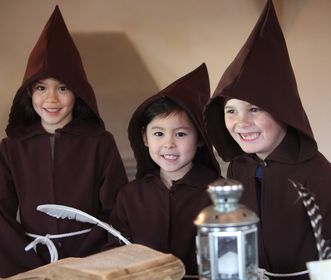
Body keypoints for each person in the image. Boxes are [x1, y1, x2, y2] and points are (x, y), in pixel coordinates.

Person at [204, 1, 331, 279]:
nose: (241, 123)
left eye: (255, 109)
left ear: (283, 111)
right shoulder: (239, 168)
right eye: (231, 111)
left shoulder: (319, 175)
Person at [0, 6, 128, 277]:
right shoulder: (11, 148)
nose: (51, 99)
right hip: (31, 257)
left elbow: (117, 209)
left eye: (63, 88)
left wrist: (89, 259)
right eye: (41, 87)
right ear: (29, 93)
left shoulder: (99, 143)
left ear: (78, 93)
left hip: (92, 258)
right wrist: (28, 258)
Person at [106, 63, 221, 277]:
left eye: (180, 134)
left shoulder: (217, 196)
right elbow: (115, 253)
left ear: (200, 139)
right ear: (144, 138)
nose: (169, 144)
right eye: (158, 134)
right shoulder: (130, 196)